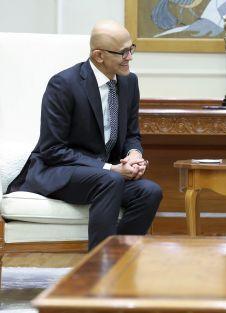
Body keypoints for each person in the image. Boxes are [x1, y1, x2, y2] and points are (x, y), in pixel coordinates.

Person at [7, 20, 162, 250]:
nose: (130, 57)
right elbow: (53, 150)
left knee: (150, 192)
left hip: (104, 176)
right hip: (59, 171)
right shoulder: (63, 85)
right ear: (99, 56)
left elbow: (131, 134)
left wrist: (133, 154)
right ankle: (97, 269)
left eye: (131, 49)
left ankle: (117, 262)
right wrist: (111, 169)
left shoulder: (130, 82)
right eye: (123, 52)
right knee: (109, 180)